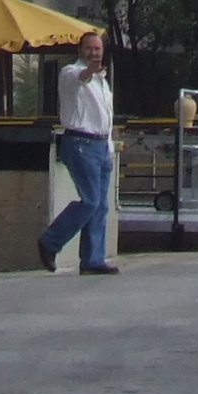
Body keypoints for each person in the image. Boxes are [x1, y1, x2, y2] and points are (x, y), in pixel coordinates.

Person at [36, 29, 121, 274]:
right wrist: (89, 71)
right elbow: (80, 78)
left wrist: (109, 146)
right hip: (81, 144)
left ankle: (93, 259)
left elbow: (104, 115)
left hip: (101, 145)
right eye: (89, 49)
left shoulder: (102, 81)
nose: (93, 53)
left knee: (101, 205)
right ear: (80, 50)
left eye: (97, 49)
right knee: (91, 201)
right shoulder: (70, 73)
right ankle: (50, 241)